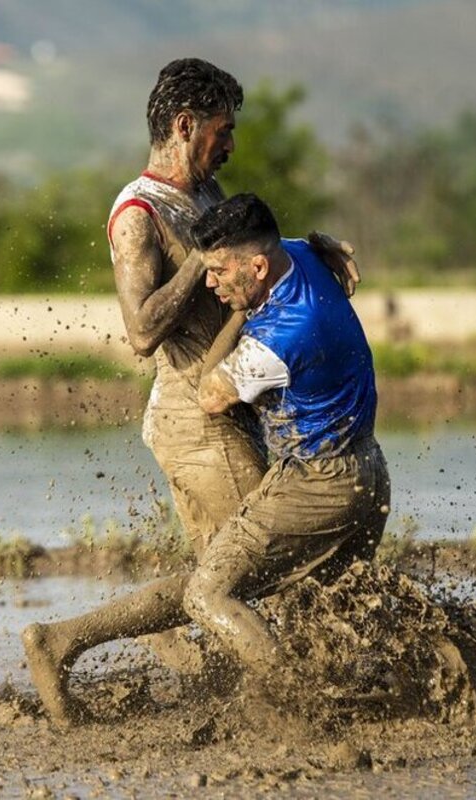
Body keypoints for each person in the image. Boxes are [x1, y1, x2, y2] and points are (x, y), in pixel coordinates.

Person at [24, 193, 390, 726]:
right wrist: (317, 244)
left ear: (257, 268)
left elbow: (210, 393)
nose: (210, 284)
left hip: (316, 483)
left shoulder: (279, 336)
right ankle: (60, 641)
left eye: (218, 272)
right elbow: (297, 245)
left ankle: (306, 712)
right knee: (321, 598)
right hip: (368, 470)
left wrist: (238, 314)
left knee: (207, 592)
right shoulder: (299, 256)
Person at [106, 57, 359, 672]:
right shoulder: (139, 214)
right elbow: (140, 332)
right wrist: (199, 257)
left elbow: (247, 258)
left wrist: (305, 248)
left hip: (221, 406)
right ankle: (302, 690)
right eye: (223, 131)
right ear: (185, 126)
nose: (231, 145)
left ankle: (98, 644)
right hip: (197, 417)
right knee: (275, 565)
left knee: (221, 574)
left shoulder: (204, 194)